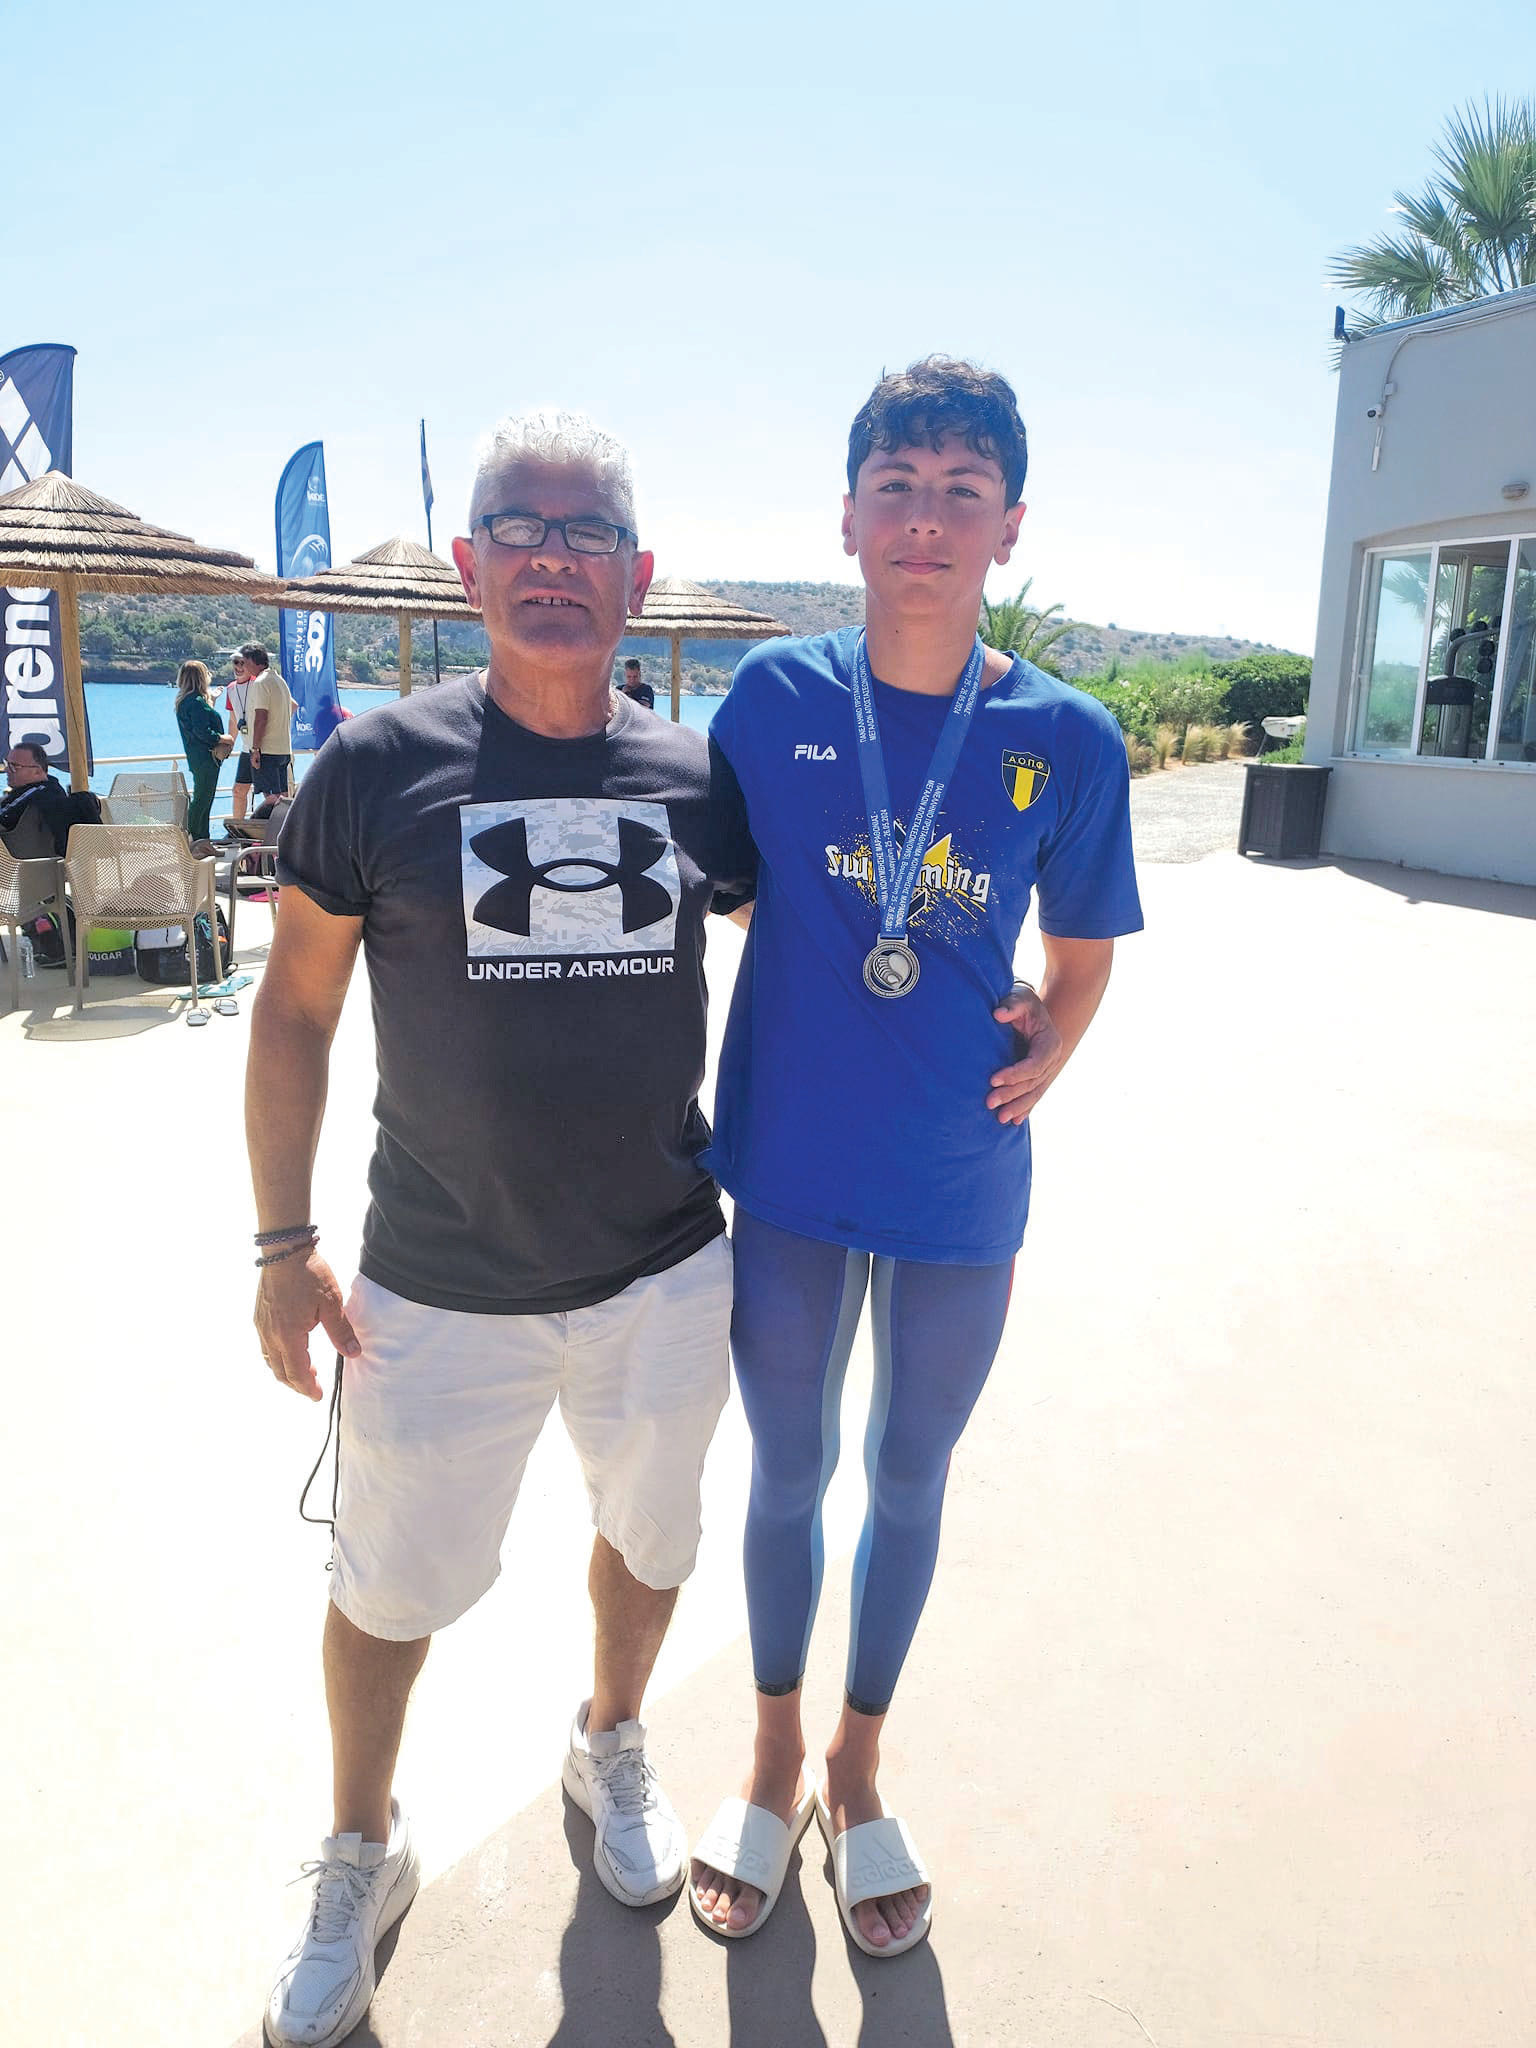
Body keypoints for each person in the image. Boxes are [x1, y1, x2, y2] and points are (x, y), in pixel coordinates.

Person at [250, 406, 756, 2048]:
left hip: (661, 1268)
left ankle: (609, 1736)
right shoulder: (374, 767)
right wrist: (279, 1244)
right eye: (521, 529)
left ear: (638, 575)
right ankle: (360, 1844)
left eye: (587, 530)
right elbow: (294, 1010)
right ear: (469, 566)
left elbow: (817, 956)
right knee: (384, 1588)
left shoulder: (698, 778)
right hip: (434, 1285)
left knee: (651, 1541)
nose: (554, 558)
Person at [690, 358, 1143, 1957]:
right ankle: (769, 1754)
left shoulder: (1068, 737)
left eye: (963, 492)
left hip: (960, 1175)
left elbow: (1083, 950)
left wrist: (1053, 1047)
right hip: (791, 1168)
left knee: (908, 1473)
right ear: (848, 517)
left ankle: (858, 1764)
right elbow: (728, 880)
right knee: (786, 1468)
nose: (927, 521)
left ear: (1010, 525)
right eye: (898, 486)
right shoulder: (768, 700)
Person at [227, 644, 292, 823]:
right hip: (283, 749)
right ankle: (283, 833)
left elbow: (261, 717)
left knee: (271, 800)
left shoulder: (260, 683)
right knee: (282, 798)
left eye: (244, 662)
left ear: (252, 661)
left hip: (267, 751)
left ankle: (259, 832)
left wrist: (255, 749)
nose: (243, 666)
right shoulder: (280, 681)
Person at [174, 660, 227, 845]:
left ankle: (202, 840)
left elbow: (201, 722)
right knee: (202, 800)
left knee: (204, 799)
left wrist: (211, 701)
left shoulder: (187, 701)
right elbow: (203, 732)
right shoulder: (196, 702)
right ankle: (193, 838)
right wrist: (223, 738)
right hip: (206, 758)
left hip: (198, 757)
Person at [1, 740, 74, 857]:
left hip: (17, 863)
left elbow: (4, 816)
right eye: (7, 764)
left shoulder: (36, 794)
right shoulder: (51, 789)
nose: (7, 770)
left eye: (14, 766)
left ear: (37, 771)